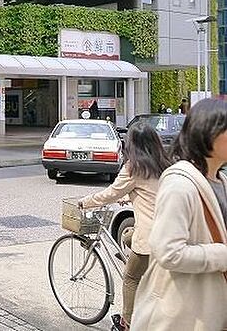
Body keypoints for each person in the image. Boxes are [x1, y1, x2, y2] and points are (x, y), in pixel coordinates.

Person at [132, 98, 227, 330]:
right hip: (183, 314)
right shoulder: (180, 184)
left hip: (210, 308)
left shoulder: (221, 181)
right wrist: (222, 255)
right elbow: (168, 252)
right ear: (207, 133)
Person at [78, 123, 171, 331]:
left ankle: (126, 324)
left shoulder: (134, 168)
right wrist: (130, 198)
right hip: (170, 233)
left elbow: (110, 194)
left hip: (150, 238)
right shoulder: (165, 165)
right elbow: (152, 194)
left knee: (130, 278)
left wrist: (86, 202)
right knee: (128, 235)